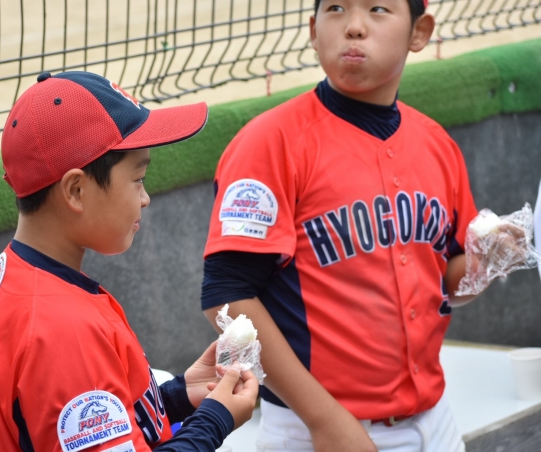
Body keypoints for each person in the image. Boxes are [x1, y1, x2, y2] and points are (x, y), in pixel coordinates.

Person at [200, 0, 527, 451]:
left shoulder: (437, 145)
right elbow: (226, 295)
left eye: (377, 8)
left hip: (436, 422)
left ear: (419, 31)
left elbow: (448, 284)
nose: (354, 27)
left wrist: (486, 263)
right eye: (336, 8)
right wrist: (324, 419)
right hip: (314, 428)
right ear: (313, 30)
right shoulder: (270, 141)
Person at [0, 71, 259, 452]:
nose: (145, 198)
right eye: (138, 178)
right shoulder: (64, 331)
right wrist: (215, 419)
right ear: (76, 190)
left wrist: (177, 395)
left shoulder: (17, 271)